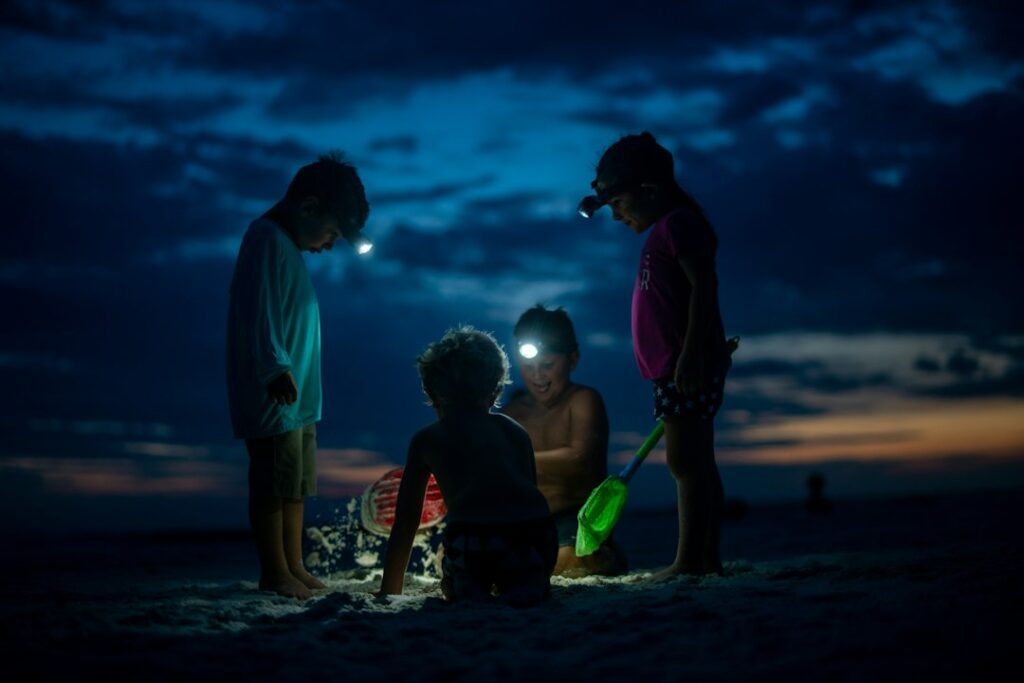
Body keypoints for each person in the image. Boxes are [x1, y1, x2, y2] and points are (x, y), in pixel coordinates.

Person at [578, 132, 731, 578]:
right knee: (693, 459)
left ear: (648, 191)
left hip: (687, 366)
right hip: (675, 368)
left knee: (687, 461)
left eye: (618, 203)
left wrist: (690, 353)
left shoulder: (679, 223)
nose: (616, 215)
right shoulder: (665, 231)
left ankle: (691, 562)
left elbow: (705, 285)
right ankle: (706, 559)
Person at [226, 152, 370, 599]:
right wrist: (274, 367)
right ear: (308, 207)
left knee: (294, 483)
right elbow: (260, 309)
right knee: (272, 480)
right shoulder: (265, 238)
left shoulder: (287, 246)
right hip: (276, 391)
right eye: (330, 233)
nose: (329, 245)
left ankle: (294, 564)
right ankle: (274, 570)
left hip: (300, 397)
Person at [379, 326, 557, 605]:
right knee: (524, 578)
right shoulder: (515, 431)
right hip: (536, 539)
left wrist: (389, 590)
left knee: (452, 577)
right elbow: (530, 494)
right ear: (496, 389)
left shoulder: (428, 439)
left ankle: (469, 585)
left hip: (477, 541)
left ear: (430, 390)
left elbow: (406, 522)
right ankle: (529, 582)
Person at [501, 305, 627, 577]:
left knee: (568, 562)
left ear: (574, 359)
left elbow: (579, 458)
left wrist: (507, 460)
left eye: (547, 365)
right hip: (523, 522)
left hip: (575, 519)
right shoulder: (510, 414)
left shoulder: (583, 400)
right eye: (528, 366)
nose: (538, 376)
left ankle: (603, 553)